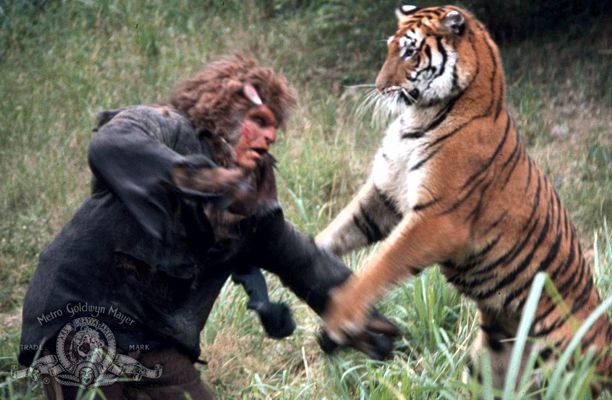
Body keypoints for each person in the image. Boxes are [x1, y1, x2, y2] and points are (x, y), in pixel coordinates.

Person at [18, 55, 398, 400]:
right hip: (81, 313)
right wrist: (196, 179)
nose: (271, 136)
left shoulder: (249, 206)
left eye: (274, 127)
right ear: (226, 111)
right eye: (260, 121)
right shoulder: (165, 126)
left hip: (154, 340)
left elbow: (303, 260)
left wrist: (360, 315)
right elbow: (113, 143)